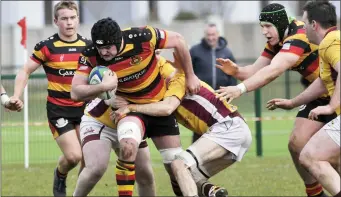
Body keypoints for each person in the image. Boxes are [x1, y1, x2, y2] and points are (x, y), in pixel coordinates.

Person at [71, 17, 201, 197]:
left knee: (150, 173)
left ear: (118, 40)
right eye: (100, 47)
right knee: (96, 168)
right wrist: (104, 87)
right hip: (104, 118)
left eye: (108, 47)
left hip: (135, 113)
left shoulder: (143, 37)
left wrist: (191, 75)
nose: (104, 52)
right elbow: (75, 92)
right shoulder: (90, 54)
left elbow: (178, 40)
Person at [215, 3, 334, 197]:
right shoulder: (277, 40)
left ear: (279, 23)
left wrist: (239, 89)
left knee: (332, 157)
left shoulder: (299, 35)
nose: (264, 31)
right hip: (318, 94)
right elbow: (255, 71)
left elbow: (274, 70)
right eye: (262, 26)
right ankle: (315, 193)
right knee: (296, 144)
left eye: (267, 26)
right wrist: (236, 71)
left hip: (335, 92)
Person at [112, 51, 252, 197]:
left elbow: (167, 108)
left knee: (178, 164)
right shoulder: (162, 88)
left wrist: (130, 107)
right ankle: (212, 192)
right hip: (235, 130)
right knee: (186, 176)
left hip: (228, 127)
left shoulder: (177, 80)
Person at [7, 1, 92, 196]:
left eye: (72, 18)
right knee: (73, 156)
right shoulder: (47, 47)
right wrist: (16, 96)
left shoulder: (88, 46)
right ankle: (60, 174)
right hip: (59, 109)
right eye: (64, 18)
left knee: (89, 158)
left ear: (78, 19)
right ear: (56, 21)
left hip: (86, 109)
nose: (69, 23)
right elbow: (25, 70)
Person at [266, 1, 340, 196]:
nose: (301, 26)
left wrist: (331, 107)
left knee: (310, 156)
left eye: (304, 22)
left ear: (314, 24)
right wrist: (292, 103)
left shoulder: (331, 42)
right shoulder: (330, 42)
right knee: (315, 156)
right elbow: (323, 82)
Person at [190, 23, 237, 143]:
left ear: (218, 35)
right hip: (201, 97)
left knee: (222, 128)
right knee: (200, 127)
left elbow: (233, 73)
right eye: (208, 35)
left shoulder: (227, 52)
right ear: (205, 35)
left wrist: (232, 91)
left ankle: (219, 154)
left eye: (213, 35)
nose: (211, 37)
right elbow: (188, 72)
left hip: (221, 97)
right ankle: (196, 156)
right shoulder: (195, 51)